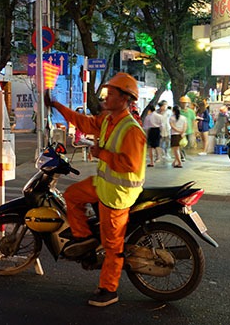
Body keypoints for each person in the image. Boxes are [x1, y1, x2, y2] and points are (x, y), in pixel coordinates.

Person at [45, 72, 146, 307]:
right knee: (71, 195)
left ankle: (109, 290)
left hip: (118, 195)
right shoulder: (108, 120)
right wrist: (57, 105)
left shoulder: (131, 130)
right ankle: (84, 240)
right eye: (107, 93)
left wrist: (102, 154)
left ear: (124, 99)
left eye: (111, 94)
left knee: (113, 246)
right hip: (103, 185)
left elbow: (130, 164)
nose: (106, 97)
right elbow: (83, 123)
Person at [178, 96, 195, 161]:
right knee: (181, 144)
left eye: (185, 103)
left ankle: (183, 154)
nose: (184, 104)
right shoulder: (178, 111)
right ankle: (182, 156)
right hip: (181, 130)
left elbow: (193, 121)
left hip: (189, 130)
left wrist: (194, 130)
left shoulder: (191, 112)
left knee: (188, 144)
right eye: (182, 103)